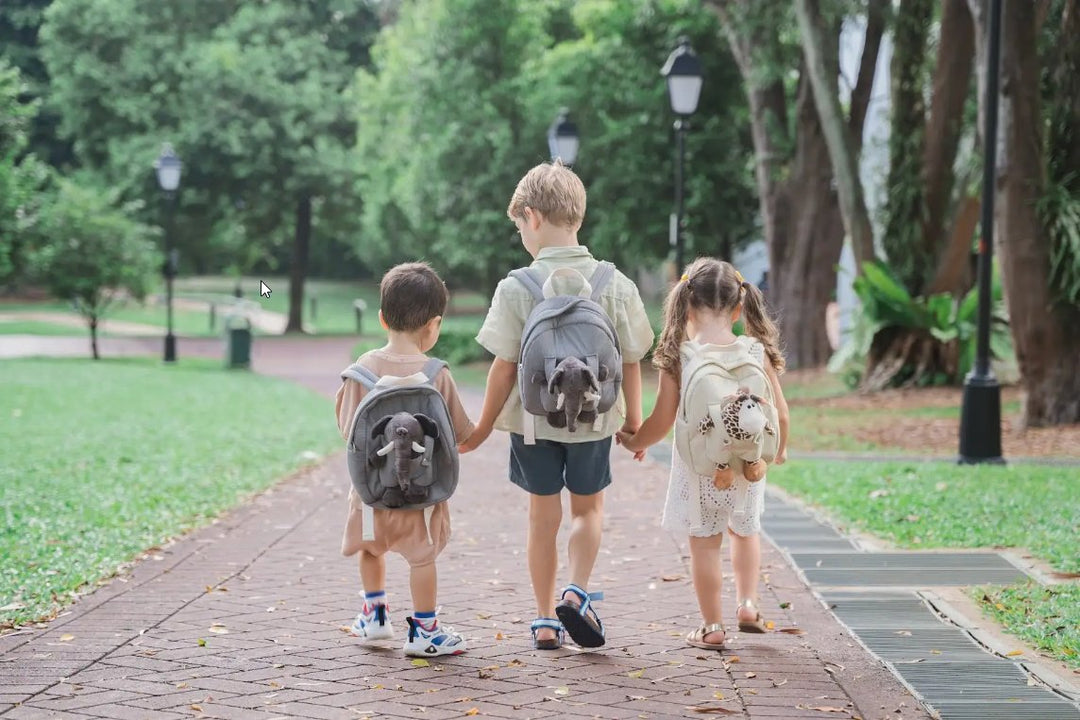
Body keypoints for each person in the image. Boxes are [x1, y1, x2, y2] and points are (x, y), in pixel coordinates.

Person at [459, 160, 655, 650]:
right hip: (594, 421)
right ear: (578, 218)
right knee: (588, 511)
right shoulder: (615, 283)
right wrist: (633, 420)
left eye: (520, 226)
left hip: (532, 424)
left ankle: (546, 619)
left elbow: (504, 366)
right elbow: (632, 360)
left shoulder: (517, 286)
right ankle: (577, 591)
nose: (522, 236)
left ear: (532, 217)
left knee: (541, 519)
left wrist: (482, 427)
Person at [617, 257, 789, 650]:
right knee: (745, 531)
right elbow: (779, 410)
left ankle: (712, 626)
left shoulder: (682, 355)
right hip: (749, 465)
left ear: (686, 304)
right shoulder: (756, 348)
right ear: (739, 307)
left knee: (705, 542)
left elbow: (662, 419)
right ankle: (747, 604)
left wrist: (634, 441)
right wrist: (778, 450)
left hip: (702, 470)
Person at [335, 262, 475, 657]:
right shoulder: (436, 374)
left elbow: (348, 429)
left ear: (382, 318)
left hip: (370, 492)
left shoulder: (360, 370)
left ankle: (374, 614)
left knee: (370, 547)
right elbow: (459, 433)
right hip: (422, 497)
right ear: (434, 325)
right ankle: (425, 629)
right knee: (422, 559)